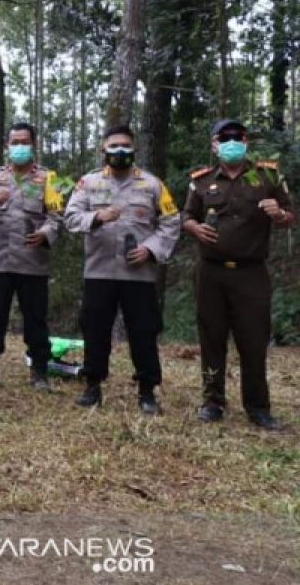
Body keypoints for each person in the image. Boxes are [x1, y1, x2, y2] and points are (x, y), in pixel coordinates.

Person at [181, 119, 293, 430]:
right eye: (224, 137)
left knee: (253, 341)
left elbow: (289, 215)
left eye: (238, 137)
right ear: (214, 144)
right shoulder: (201, 181)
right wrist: (194, 227)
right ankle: (212, 401)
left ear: (246, 142)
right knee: (212, 338)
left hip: (251, 273)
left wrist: (279, 214)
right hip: (211, 273)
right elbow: (186, 216)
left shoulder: (267, 175)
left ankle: (258, 407)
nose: (232, 142)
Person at [63, 123, 180, 415]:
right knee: (95, 329)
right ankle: (93, 386)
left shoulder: (152, 185)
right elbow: (70, 218)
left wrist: (151, 249)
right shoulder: (88, 184)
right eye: (113, 146)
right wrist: (97, 217)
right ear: (103, 149)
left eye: (125, 146)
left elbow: (171, 222)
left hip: (138, 275)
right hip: (99, 271)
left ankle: (147, 391)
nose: (119, 151)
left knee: (143, 331)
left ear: (134, 148)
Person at [0, 122, 64, 392]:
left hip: (33, 263)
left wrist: (45, 234)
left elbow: (57, 217)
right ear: (7, 145)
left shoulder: (48, 179)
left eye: (24, 141)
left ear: (33, 144)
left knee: (35, 319)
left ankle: (40, 372)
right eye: (14, 142)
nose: (19, 146)